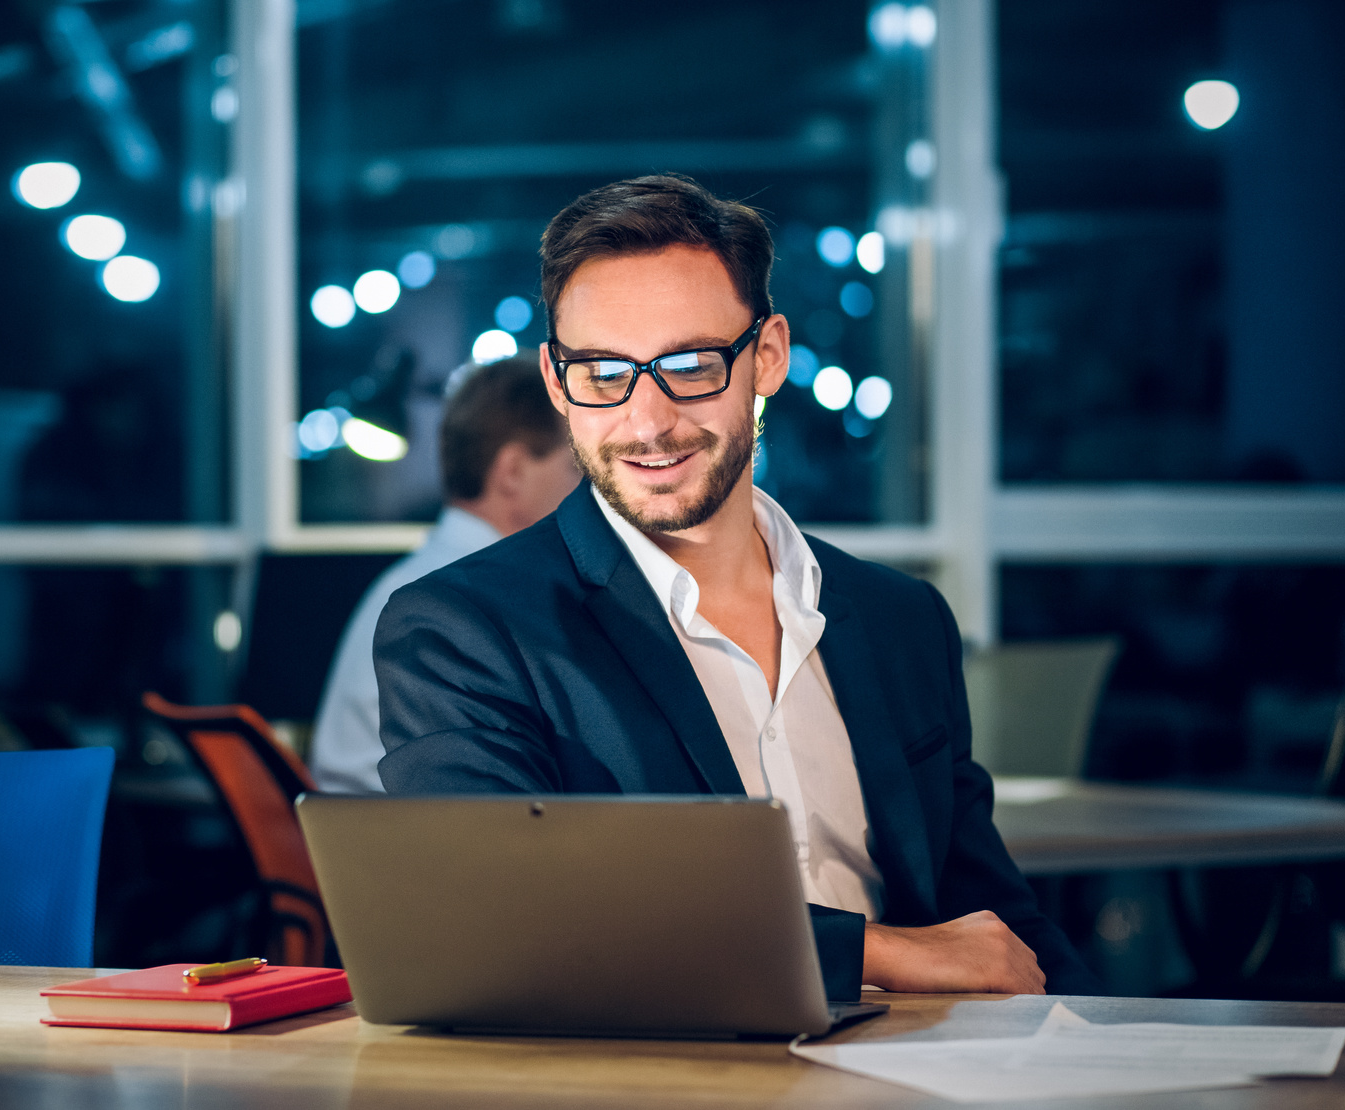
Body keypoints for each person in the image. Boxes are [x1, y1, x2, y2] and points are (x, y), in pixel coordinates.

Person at [373, 175, 1100, 996]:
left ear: (769, 357)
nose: (647, 422)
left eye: (689, 365)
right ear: (555, 381)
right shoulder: (461, 629)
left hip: (922, 1071)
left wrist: (1116, 1052)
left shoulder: (901, 620)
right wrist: (877, 955)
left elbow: (991, 922)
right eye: (603, 373)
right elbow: (503, 915)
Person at [310, 354, 581, 793]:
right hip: (400, 847)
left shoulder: (417, 579)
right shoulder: (464, 601)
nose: (585, 490)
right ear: (512, 472)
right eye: (574, 468)